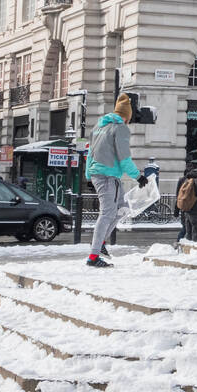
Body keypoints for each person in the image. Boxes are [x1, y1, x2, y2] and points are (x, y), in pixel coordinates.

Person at [84, 94, 148, 268]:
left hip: (104, 175)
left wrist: (89, 176)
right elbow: (124, 158)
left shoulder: (99, 126)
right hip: (108, 175)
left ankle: (101, 244)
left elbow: (89, 153)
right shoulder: (120, 128)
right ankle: (93, 256)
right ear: (126, 116)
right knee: (107, 213)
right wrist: (138, 176)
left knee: (122, 209)